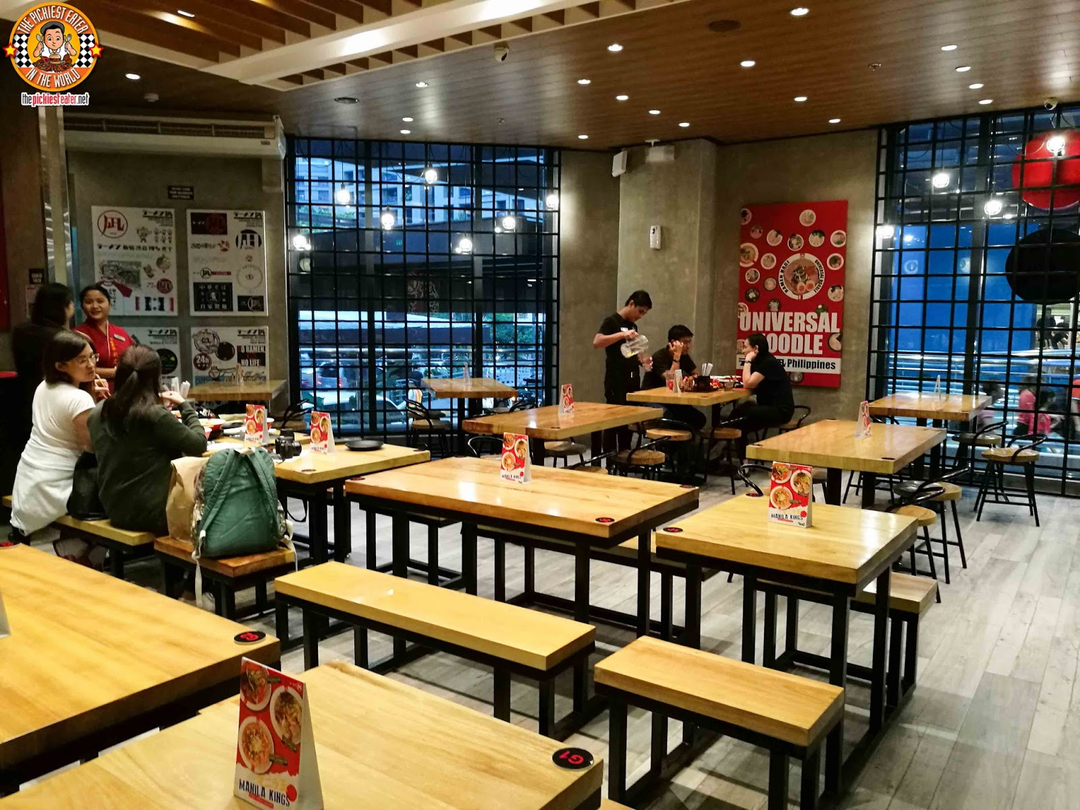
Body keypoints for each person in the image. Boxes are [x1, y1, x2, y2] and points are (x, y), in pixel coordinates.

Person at [89, 345, 207, 537]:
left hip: (113, 508)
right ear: (156, 378)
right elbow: (198, 444)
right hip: (154, 513)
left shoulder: (97, 411)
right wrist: (185, 406)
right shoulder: (153, 414)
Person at [10, 331, 109, 545]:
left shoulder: (43, 386)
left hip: (30, 478)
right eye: (82, 360)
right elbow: (90, 446)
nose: (91, 365)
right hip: (59, 485)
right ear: (60, 365)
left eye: (93, 357)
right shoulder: (79, 398)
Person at [11, 283, 74, 450]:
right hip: (55, 401)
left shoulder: (20, 330)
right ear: (64, 307)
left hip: (24, 398)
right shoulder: (61, 338)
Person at [594, 290, 653, 451]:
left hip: (632, 379)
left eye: (644, 314)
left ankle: (625, 458)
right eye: (640, 311)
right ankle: (610, 458)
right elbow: (597, 342)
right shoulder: (611, 321)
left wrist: (643, 361)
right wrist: (621, 334)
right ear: (631, 303)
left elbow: (633, 351)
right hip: (615, 379)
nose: (640, 316)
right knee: (613, 421)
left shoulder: (633, 326)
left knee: (628, 421)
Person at [729, 333, 795, 457]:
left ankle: (722, 450)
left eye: (745, 347)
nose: (743, 351)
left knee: (738, 417)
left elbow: (748, 383)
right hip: (768, 406)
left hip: (780, 410)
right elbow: (747, 381)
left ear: (756, 349)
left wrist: (747, 360)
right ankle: (742, 459)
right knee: (739, 417)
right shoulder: (760, 361)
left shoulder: (768, 362)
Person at [642, 324, 705, 431]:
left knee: (699, 419)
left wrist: (690, 381)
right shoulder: (659, 356)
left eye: (689, 342)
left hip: (671, 400)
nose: (688, 346)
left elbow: (696, 374)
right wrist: (676, 357)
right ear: (673, 343)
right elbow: (670, 380)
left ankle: (682, 445)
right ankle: (666, 445)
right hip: (652, 399)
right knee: (669, 416)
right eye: (685, 342)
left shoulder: (685, 356)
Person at [74, 284, 133, 392]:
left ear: (110, 304)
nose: (95, 306)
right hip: (93, 393)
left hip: (125, 392)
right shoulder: (77, 335)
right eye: (89, 302)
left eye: (100, 301)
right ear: (82, 306)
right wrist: (114, 373)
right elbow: (76, 370)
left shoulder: (121, 332)